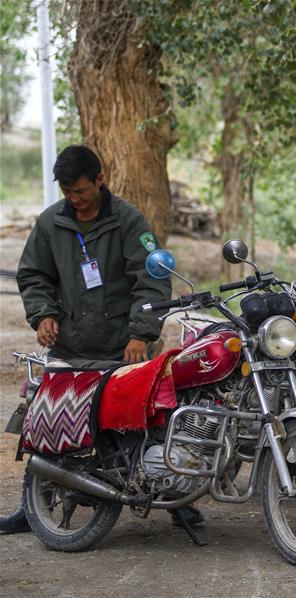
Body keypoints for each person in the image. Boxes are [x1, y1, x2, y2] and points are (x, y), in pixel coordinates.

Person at [0, 145, 200, 533]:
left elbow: (152, 279)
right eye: (67, 192)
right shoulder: (50, 224)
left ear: (100, 179)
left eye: (81, 191)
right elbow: (33, 275)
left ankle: (175, 503)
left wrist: (140, 334)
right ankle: (34, 504)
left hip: (123, 347)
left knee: (143, 423)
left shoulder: (129, 221)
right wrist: (43, 315)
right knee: (48, 420)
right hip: (69, 345)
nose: (74, 199)